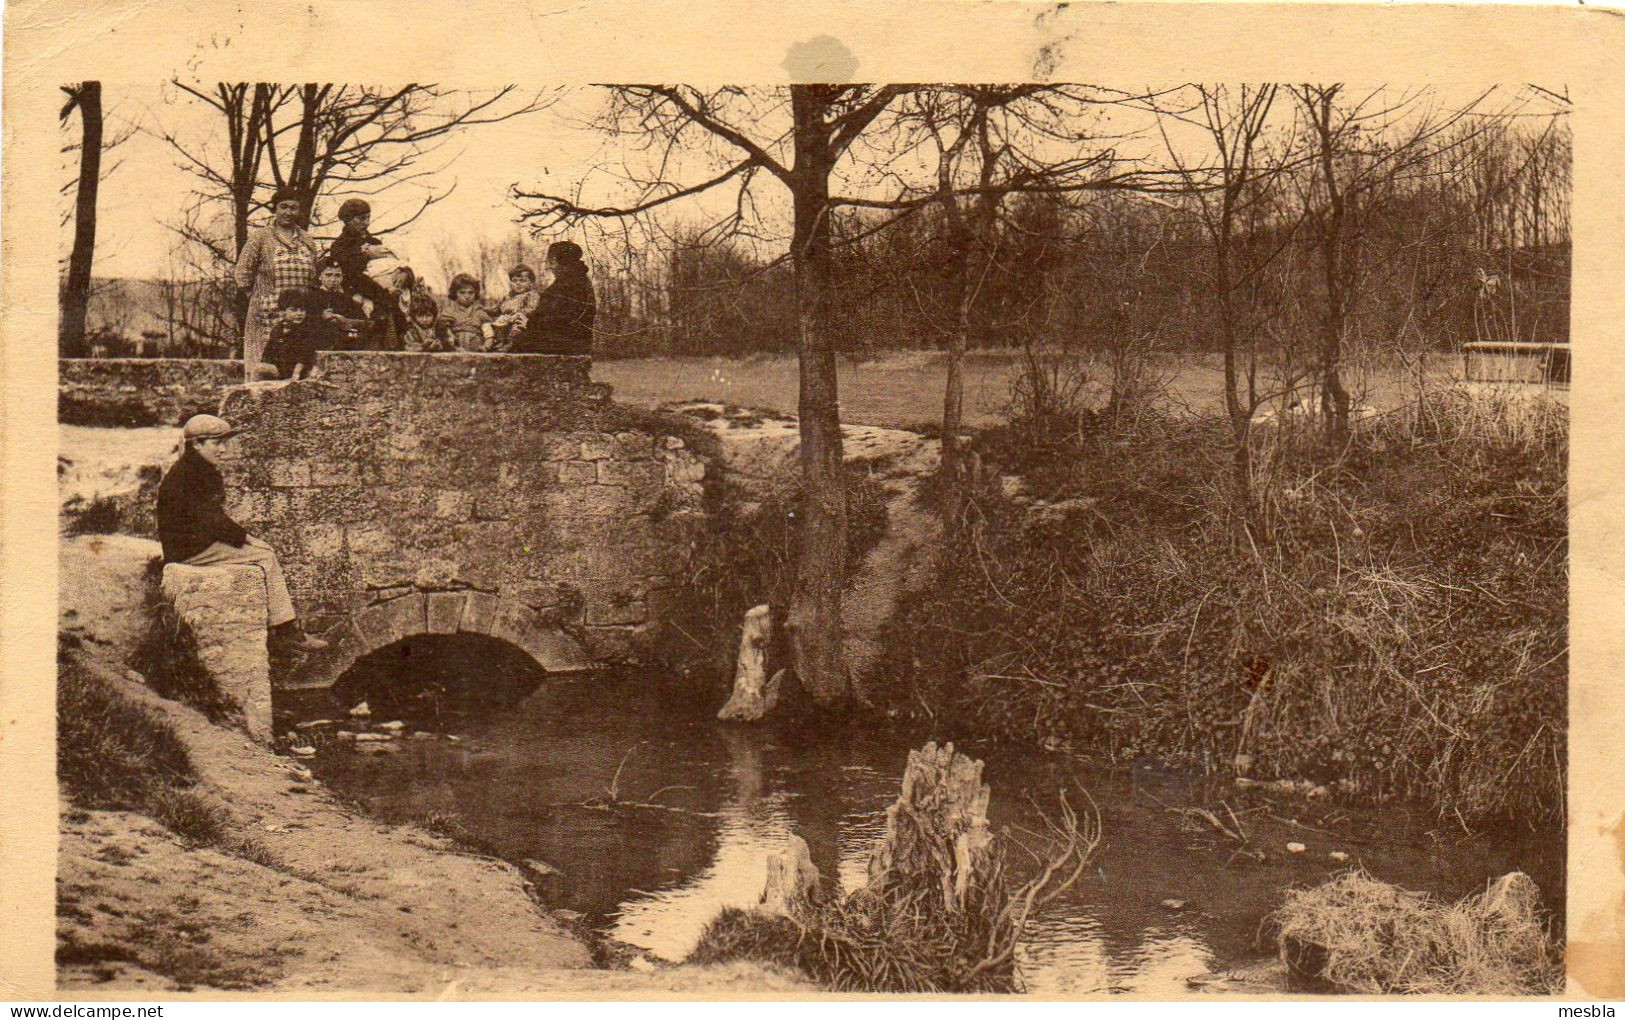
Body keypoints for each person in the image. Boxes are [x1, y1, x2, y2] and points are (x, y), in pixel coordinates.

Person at [156, 415, 327, 654]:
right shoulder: (194, 475)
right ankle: (286, 632)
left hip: (191, 544)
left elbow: (210, 518)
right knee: (265, 556)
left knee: (263, 552)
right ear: (197, 444)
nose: (224, 450)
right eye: (217, 443)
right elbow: (211, 520)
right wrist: (246, 538)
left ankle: (278, 629)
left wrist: (244, 538)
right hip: (189, 550)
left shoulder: (193, 470)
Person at [233, 188, 321, 379]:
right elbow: (242, 274)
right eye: (284, 207)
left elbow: (313, 277)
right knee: (264, 369)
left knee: (297, 369)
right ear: (275, 208)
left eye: (293, 208)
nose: (288, 212)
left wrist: (300, 306)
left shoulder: (307, 240)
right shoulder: (261, 237)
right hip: (266, 316)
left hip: (298, 317)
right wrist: (260, 299)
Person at [327, 198, 404, 343]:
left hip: (389, 299)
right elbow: (353, 277)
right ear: (348, 220)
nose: (366, 223)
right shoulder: (339, 247)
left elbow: (393, 262)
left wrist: (405, 273)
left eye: (368, 218)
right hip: (360, 303)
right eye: (362, 218)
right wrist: (384, 294)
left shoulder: (375, 243)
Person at [516, 241, 595, 355]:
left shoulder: (570, 284)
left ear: (557, 261)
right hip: (574, 344)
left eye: (550, 261)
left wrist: (529, 323)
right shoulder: (577, 280)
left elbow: (560, 321)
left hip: (565, 346)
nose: (548, 266)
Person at [308, 259, 368, 352]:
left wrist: (345, 321)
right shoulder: (310, 297)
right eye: (328, 275)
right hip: (317, 346)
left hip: (345, 345)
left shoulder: (347, 299)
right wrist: (322, 317)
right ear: (320, 277)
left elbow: (364, 323)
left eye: (337, 275)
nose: (333, 279)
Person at [263, 288, 319, 380]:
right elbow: (268, 351)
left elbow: (304, 355)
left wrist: (295, 375)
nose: (299, 314)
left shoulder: (307, 330)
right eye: (294, 310)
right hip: (280, 370)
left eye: (302, 310)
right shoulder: (278, 329)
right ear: (283, 311)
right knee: (259, 369)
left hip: (300, 371)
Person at [489, 264, 540, 350]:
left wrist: (518, 314)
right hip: (507, 319)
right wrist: (485, 310)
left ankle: (511, 342)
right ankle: (500, 342)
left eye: (522, 280)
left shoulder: (531, 295)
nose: (518, 283)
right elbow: (497, 308)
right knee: (496, 321)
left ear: (531, 283)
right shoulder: (508, 297)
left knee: (518, 323)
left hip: (520, 319)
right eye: (514, 281)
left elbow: (531, 308)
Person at [439, 273, 493, 351]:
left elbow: (489, 334)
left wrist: (486, 347)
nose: (467, 296)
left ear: (475, 293)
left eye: (471, 292)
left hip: (477, 352)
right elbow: (443, 333)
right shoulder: (449, 312)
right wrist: (452, 345)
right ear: (455, 293)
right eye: (462, 292)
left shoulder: (480, 312)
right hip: (454, 351)